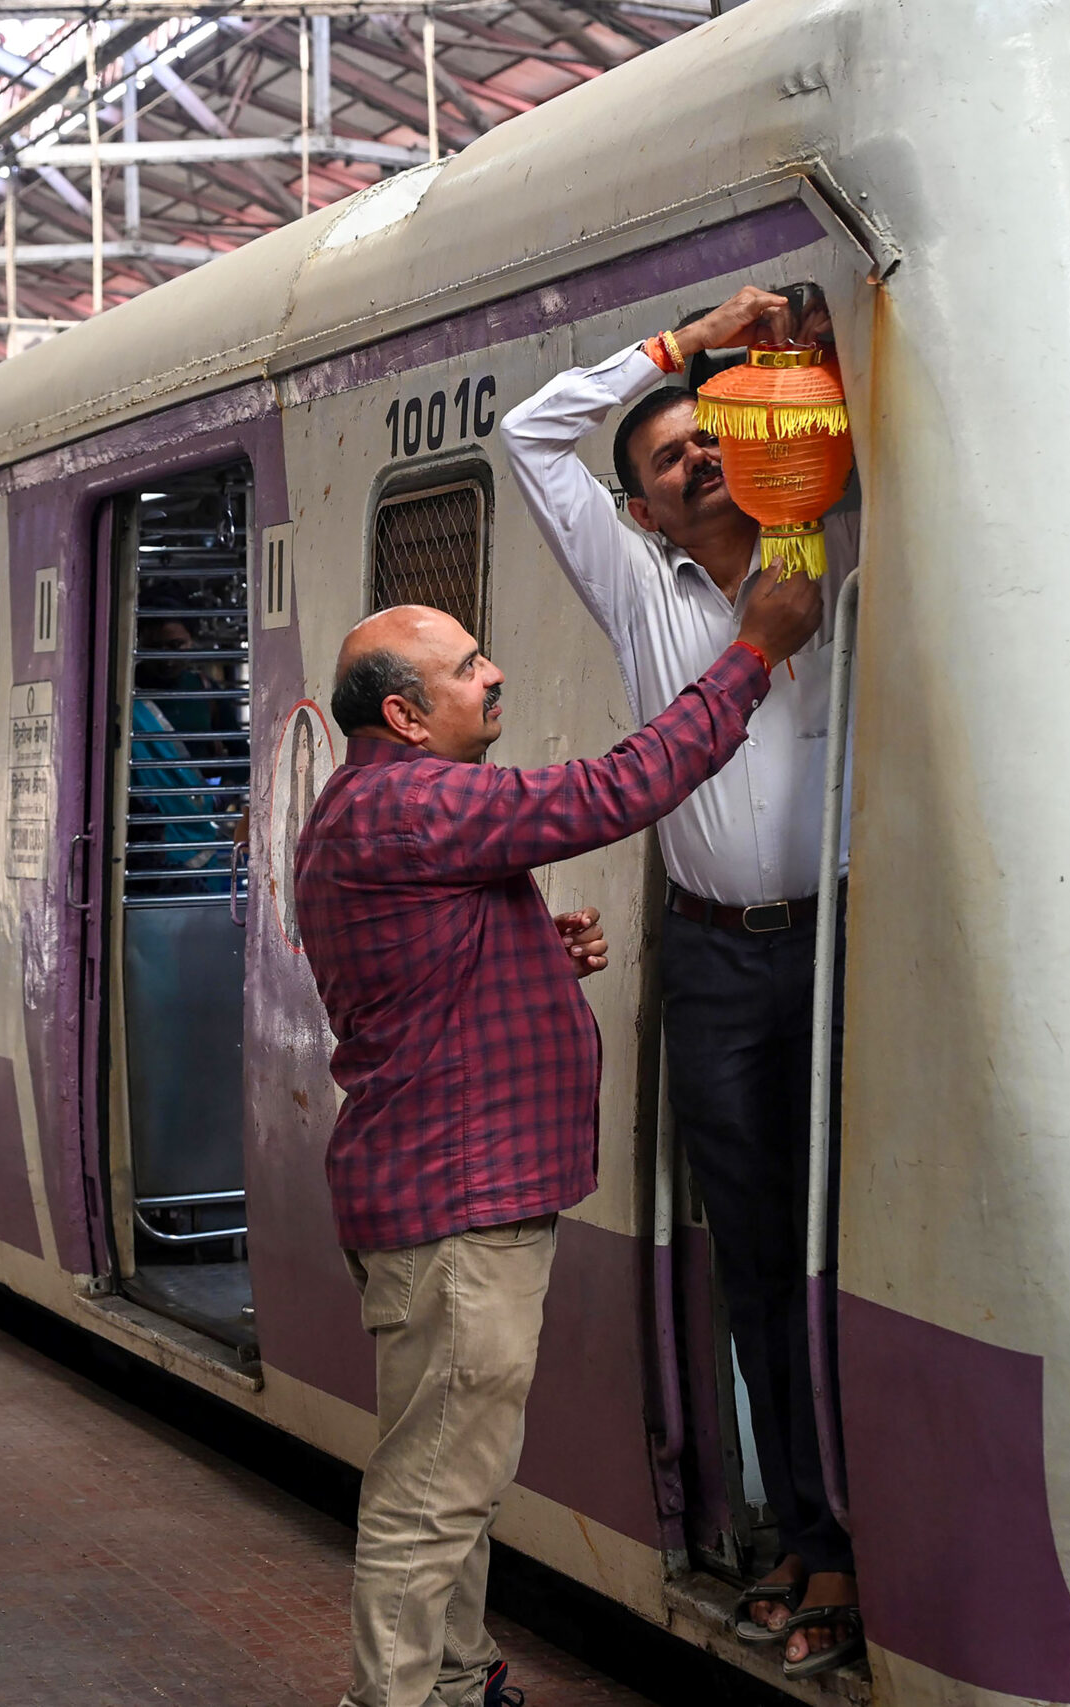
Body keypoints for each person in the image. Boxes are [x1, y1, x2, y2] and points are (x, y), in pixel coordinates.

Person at [295, 574, 825, 1707]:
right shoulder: (412, 803)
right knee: (432, 1492)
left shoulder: (377, 808)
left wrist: (535, 955)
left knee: (456, 1470)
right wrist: (750, 654)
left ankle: (456, 1680)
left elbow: (421, 983)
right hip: (456, 1204)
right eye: (467, 667)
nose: (493, 674)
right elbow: (615, 788)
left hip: (440, 1191)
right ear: (403, 715)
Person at [498, 282, 861, 1676]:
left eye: (708, 433)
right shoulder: (637, 587)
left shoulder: (826, 543)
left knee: (847, 1257)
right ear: (641, 512)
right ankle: (806, 1533)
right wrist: (690, 343)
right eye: (665, 457)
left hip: (842, 949)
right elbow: (532, 434)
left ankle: (857, 1537)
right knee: (758, 1258)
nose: (697, 455)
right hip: (714, 961)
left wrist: (785, 372)